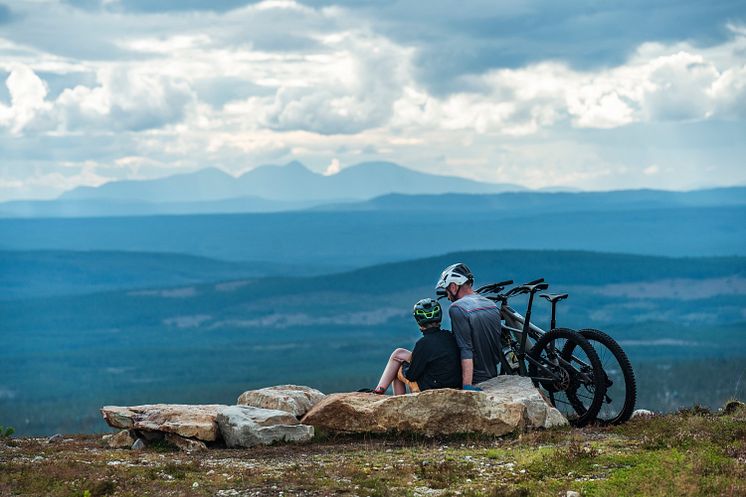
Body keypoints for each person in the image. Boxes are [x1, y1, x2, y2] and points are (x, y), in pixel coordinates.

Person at [369, 298, 462, 395]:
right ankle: (379, 389)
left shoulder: (423, 344)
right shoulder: (449, 336)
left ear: (419, 321)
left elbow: (411, 376)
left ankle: (390, 398)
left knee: (397, 372)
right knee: (399, 353)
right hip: (453, 384)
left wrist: (406, 367)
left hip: (433, 388)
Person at [435, 263, 502, 390]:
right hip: (493, 375)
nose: (448, 297)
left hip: (476, 379)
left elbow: (466, 348)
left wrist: (467, 386)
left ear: (453, 287)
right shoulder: (491, 304)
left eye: (447, 291)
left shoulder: (458, 308)